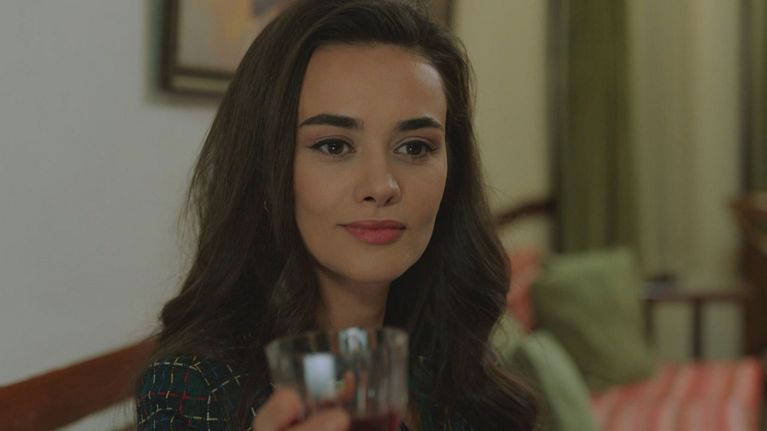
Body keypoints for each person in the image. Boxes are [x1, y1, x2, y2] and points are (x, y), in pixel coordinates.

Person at [135, 0, 537, 429]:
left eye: (414, 147)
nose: (381, 186)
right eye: (334, 146)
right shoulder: (197, 387)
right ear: (266, 170)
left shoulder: (454, 358)